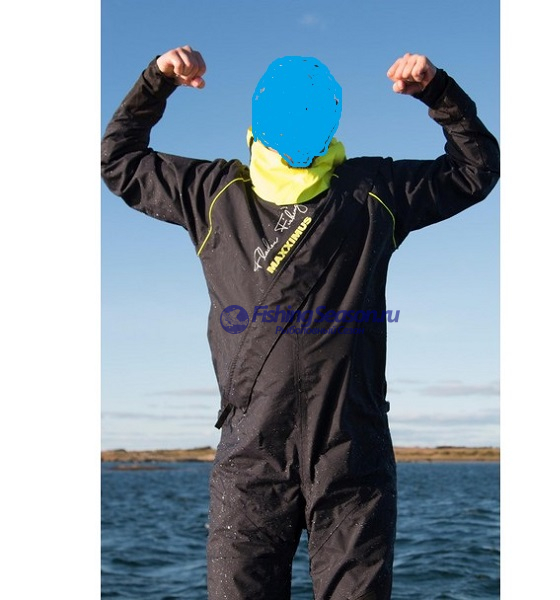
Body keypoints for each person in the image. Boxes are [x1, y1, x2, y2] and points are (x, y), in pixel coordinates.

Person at [101, 45, 500, 600]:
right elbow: (118, 162)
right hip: (266, 455)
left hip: (344, 451)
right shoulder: (217, 194)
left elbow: (476, 170)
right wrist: (435, 91)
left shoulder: (371, 191)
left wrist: (159, 80)